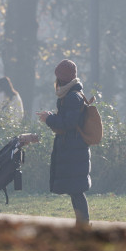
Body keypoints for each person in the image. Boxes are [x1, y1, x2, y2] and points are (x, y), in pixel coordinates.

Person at [36, 59, 92, 228]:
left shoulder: (72, 97)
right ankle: (81, 224)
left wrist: (49, 119)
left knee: (76, 191)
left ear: (62, 78)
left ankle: (83, 225)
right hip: (72, 149)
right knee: (75, 191)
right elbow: (68, 120)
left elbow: (68, 124)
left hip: (73, 150)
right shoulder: (71, 95)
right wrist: (52, 116)